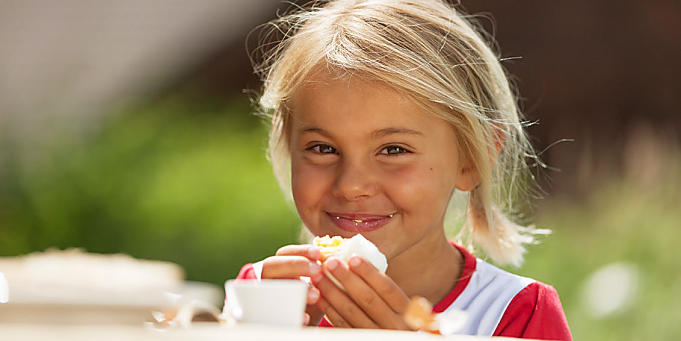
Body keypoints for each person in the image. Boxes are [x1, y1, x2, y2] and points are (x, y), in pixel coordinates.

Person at [234, 0, 572, 339]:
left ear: (473, 157)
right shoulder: (265, 295)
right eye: (323, 148)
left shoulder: (518, 314)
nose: (351, 186)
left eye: (394, 150)